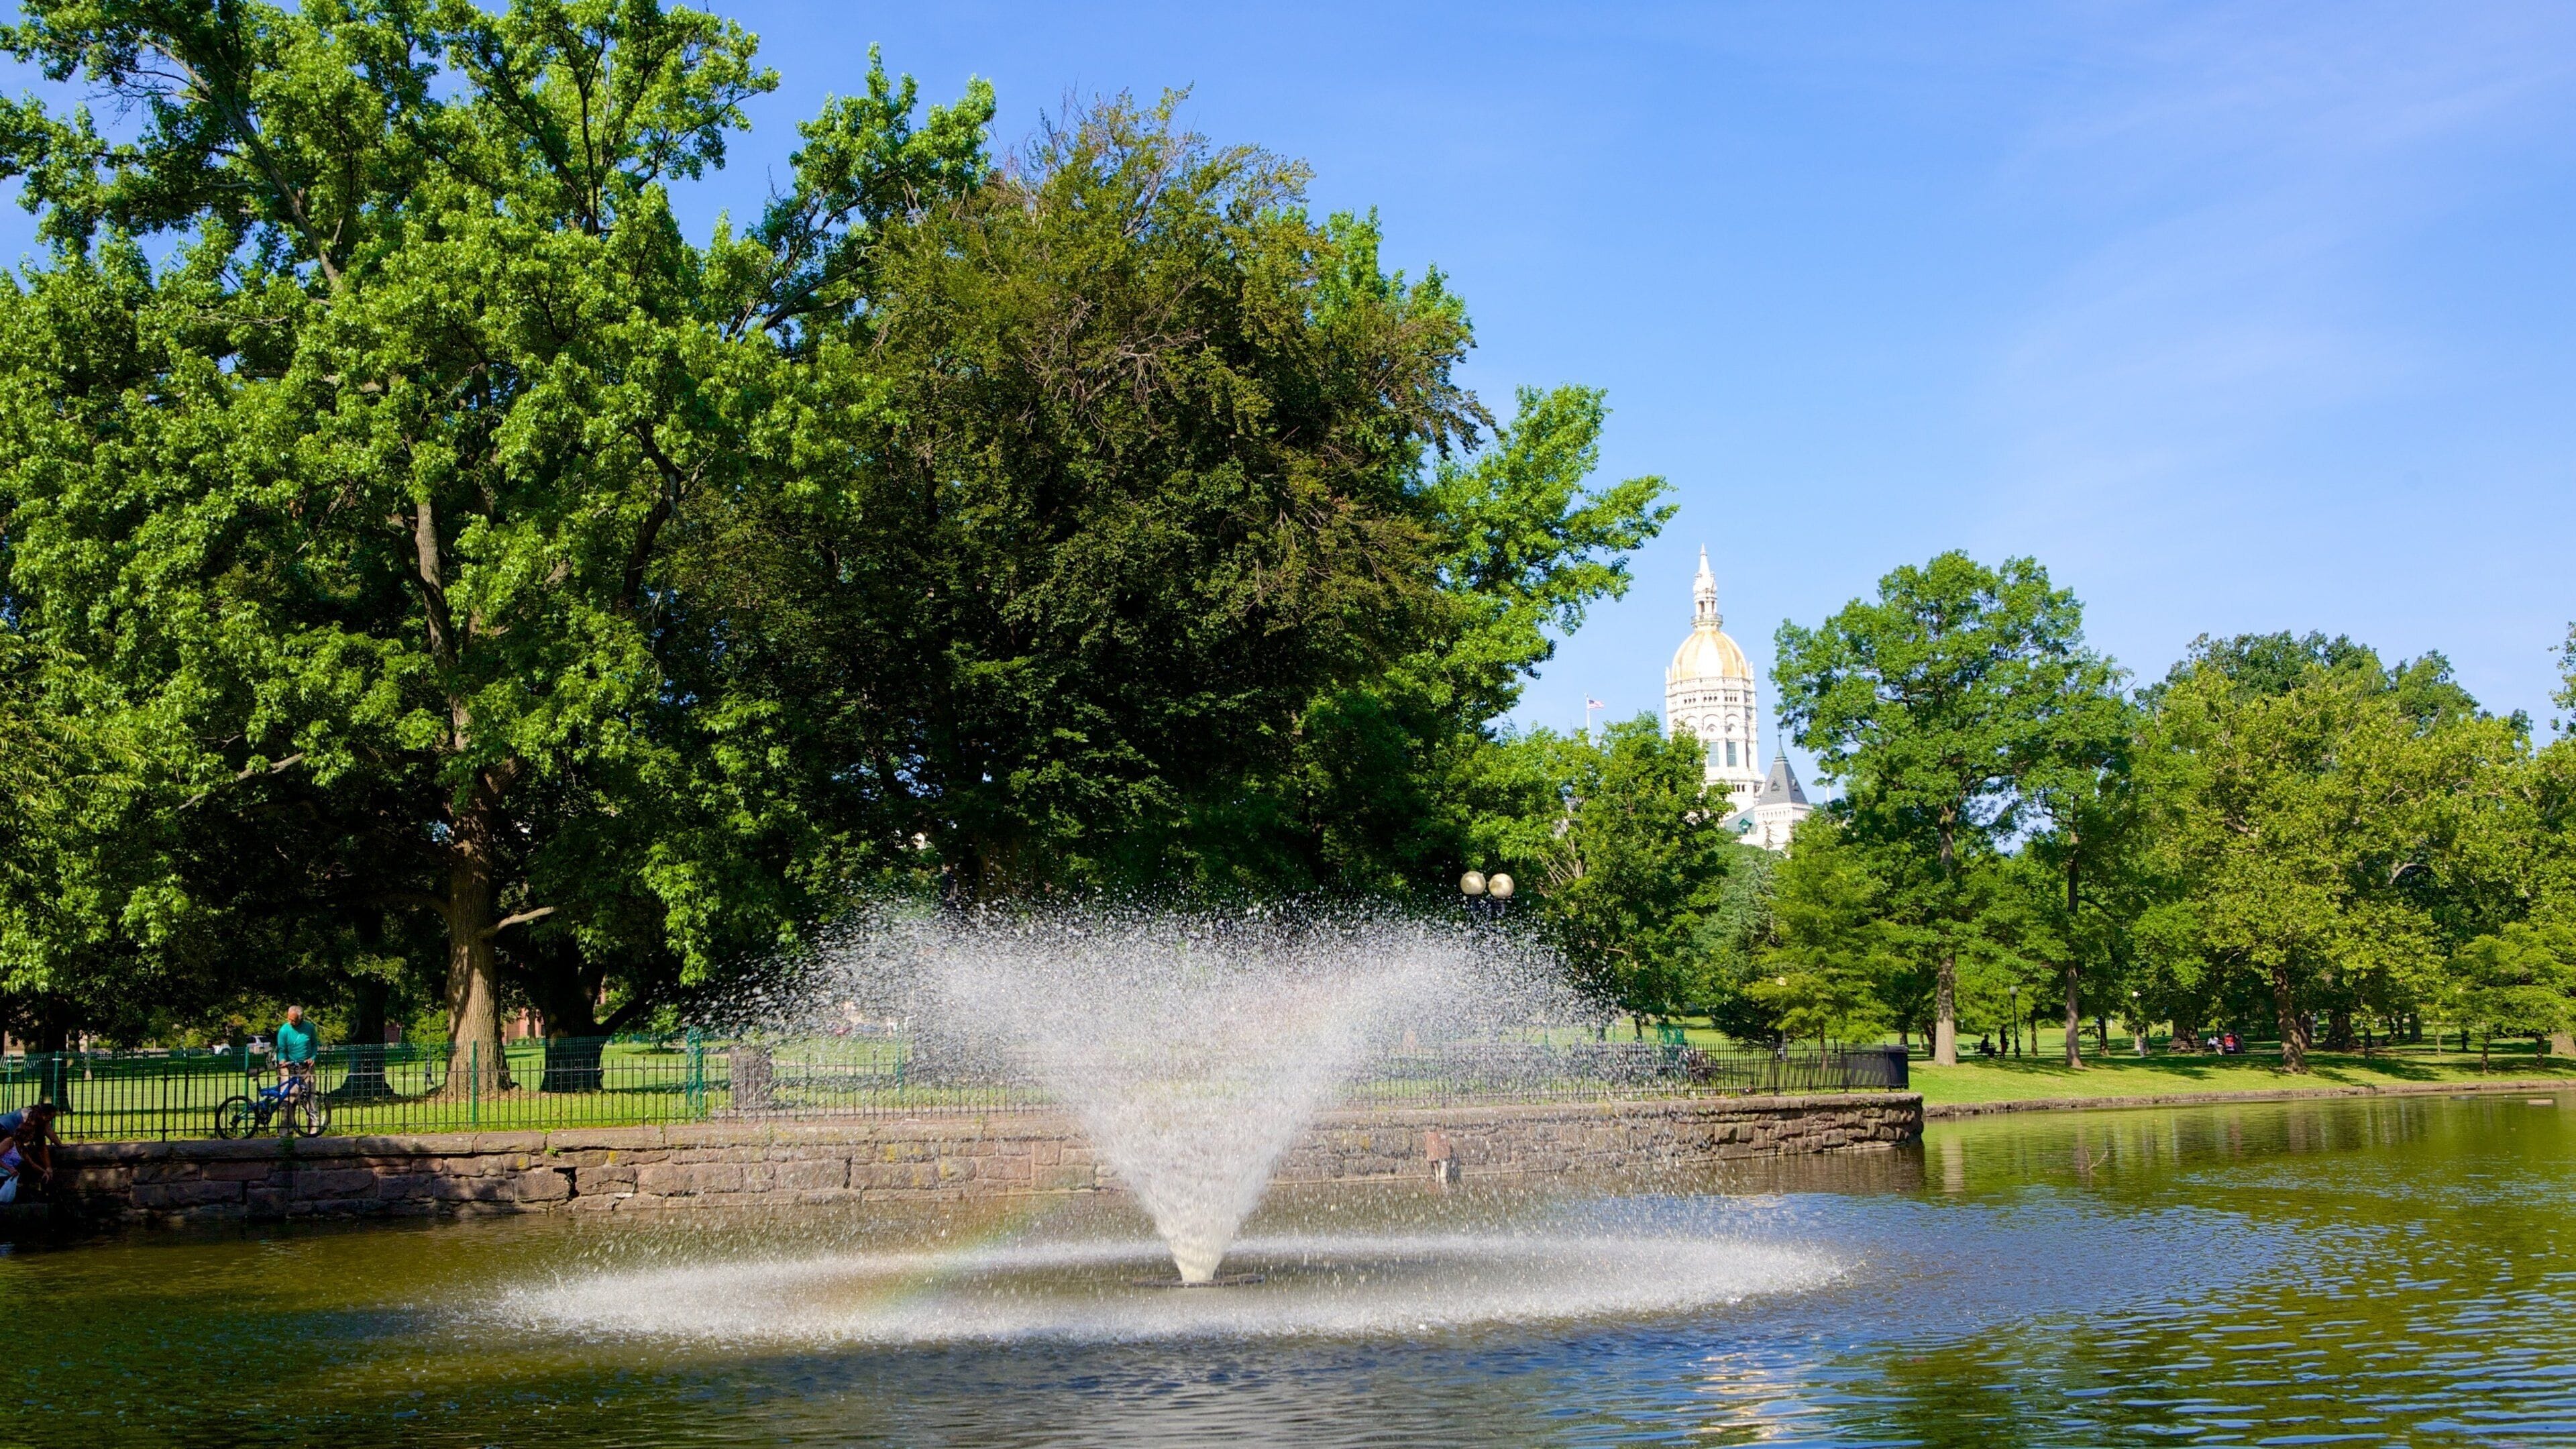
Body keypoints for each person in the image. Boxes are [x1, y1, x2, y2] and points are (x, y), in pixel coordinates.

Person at [0, 1103, 60, 1203]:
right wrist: (9, 1168)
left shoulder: (22, 1149)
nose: (32, 1139)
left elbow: (32, 1163)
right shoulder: (10, 1142)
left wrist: (45, 1171)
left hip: (7, 1174)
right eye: (31, 1136)